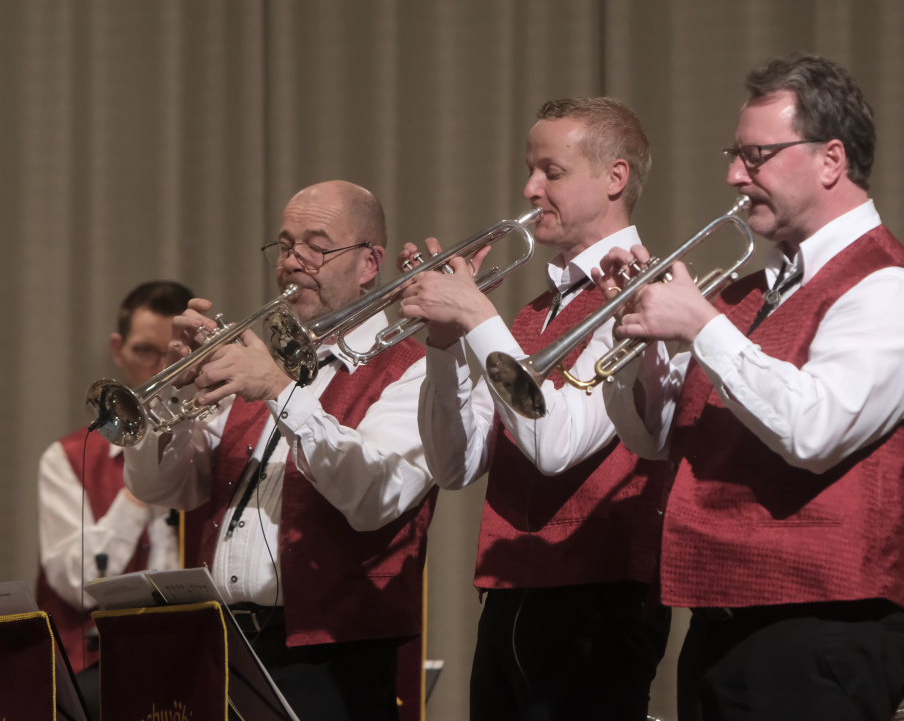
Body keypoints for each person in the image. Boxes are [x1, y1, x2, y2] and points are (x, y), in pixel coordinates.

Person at [598, 54, 904, 721]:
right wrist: (641, 340)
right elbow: (654, 439)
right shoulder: (746, 295)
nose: (734, 176)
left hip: (819, 631)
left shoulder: (890, 288)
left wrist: (702, 327)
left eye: (757, 156)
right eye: (735, 156)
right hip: (720, 625)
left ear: (831, 160)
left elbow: (814, 431)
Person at [123, 180, 437, 721]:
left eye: (317, 246)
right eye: (286, 246)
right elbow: (163, 488)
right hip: (224, 644)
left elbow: (372, 498)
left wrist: (278, 391)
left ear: (369, 263)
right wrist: (174, 387)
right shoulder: (263, 365)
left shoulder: (414, 372)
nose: (293, 261)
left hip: (334, 661)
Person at [399, 97, 671, 721]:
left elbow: (557, 446)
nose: (529, 188)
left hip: (597, 600)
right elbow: (454, 466)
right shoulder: (532, 314)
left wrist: (475, 314)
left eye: (552, 171)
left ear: (615, 178)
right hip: (510, 594)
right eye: (531, 170)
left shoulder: (642, 292)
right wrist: (445, 343)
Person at [36, 279, 193, 713]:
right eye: (145, 351)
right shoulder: (67, 459)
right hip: (99, 662)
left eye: (172, 354)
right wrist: (146, 483)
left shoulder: (214, 444)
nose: (159, 369)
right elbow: (79, 586)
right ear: (118, 351)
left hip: (197, 654)